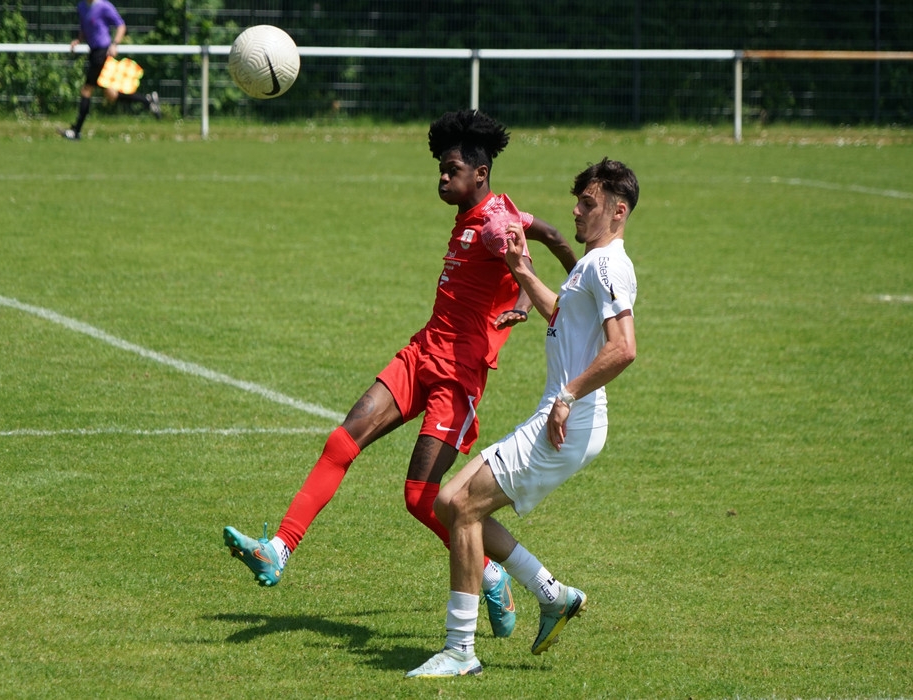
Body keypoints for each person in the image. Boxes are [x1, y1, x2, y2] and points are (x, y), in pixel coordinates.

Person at [224, 110, 577, 639]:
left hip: (457, 376)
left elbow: (539, 242)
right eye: (440, 169)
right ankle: (278, 549)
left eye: (452, 170)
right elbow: (529, 249)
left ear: (480, 173)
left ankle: (491, 574)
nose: (442, 178)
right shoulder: (485, 213)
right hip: (422, 352)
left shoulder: (492, 224)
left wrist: (572, 286)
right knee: (342, 441)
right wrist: (523, 300)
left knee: (421, 498)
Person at [406, 158, 639, 678]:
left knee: (463, 507)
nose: (576, 212)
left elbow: (623, 348)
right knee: (447, 501)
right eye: (578, 202)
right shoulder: (591, 264)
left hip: (568, 420)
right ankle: (552, 595)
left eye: (588, 204)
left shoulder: (608, 265)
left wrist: (568, 396)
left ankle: (460, 650)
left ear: (618, 212)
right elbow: (562, 315)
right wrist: (520, 269)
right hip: (559, 414)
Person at [59, 0, 161, 140]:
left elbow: (121, 25)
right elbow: (85, 27)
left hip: (102, 53)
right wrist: (78, 40)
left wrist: (115, 44)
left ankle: (76, 131)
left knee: (87, 90)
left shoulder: (104, 6)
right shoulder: (81, 6)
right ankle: (147, 101)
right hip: (93, 52)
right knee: (111, 94)